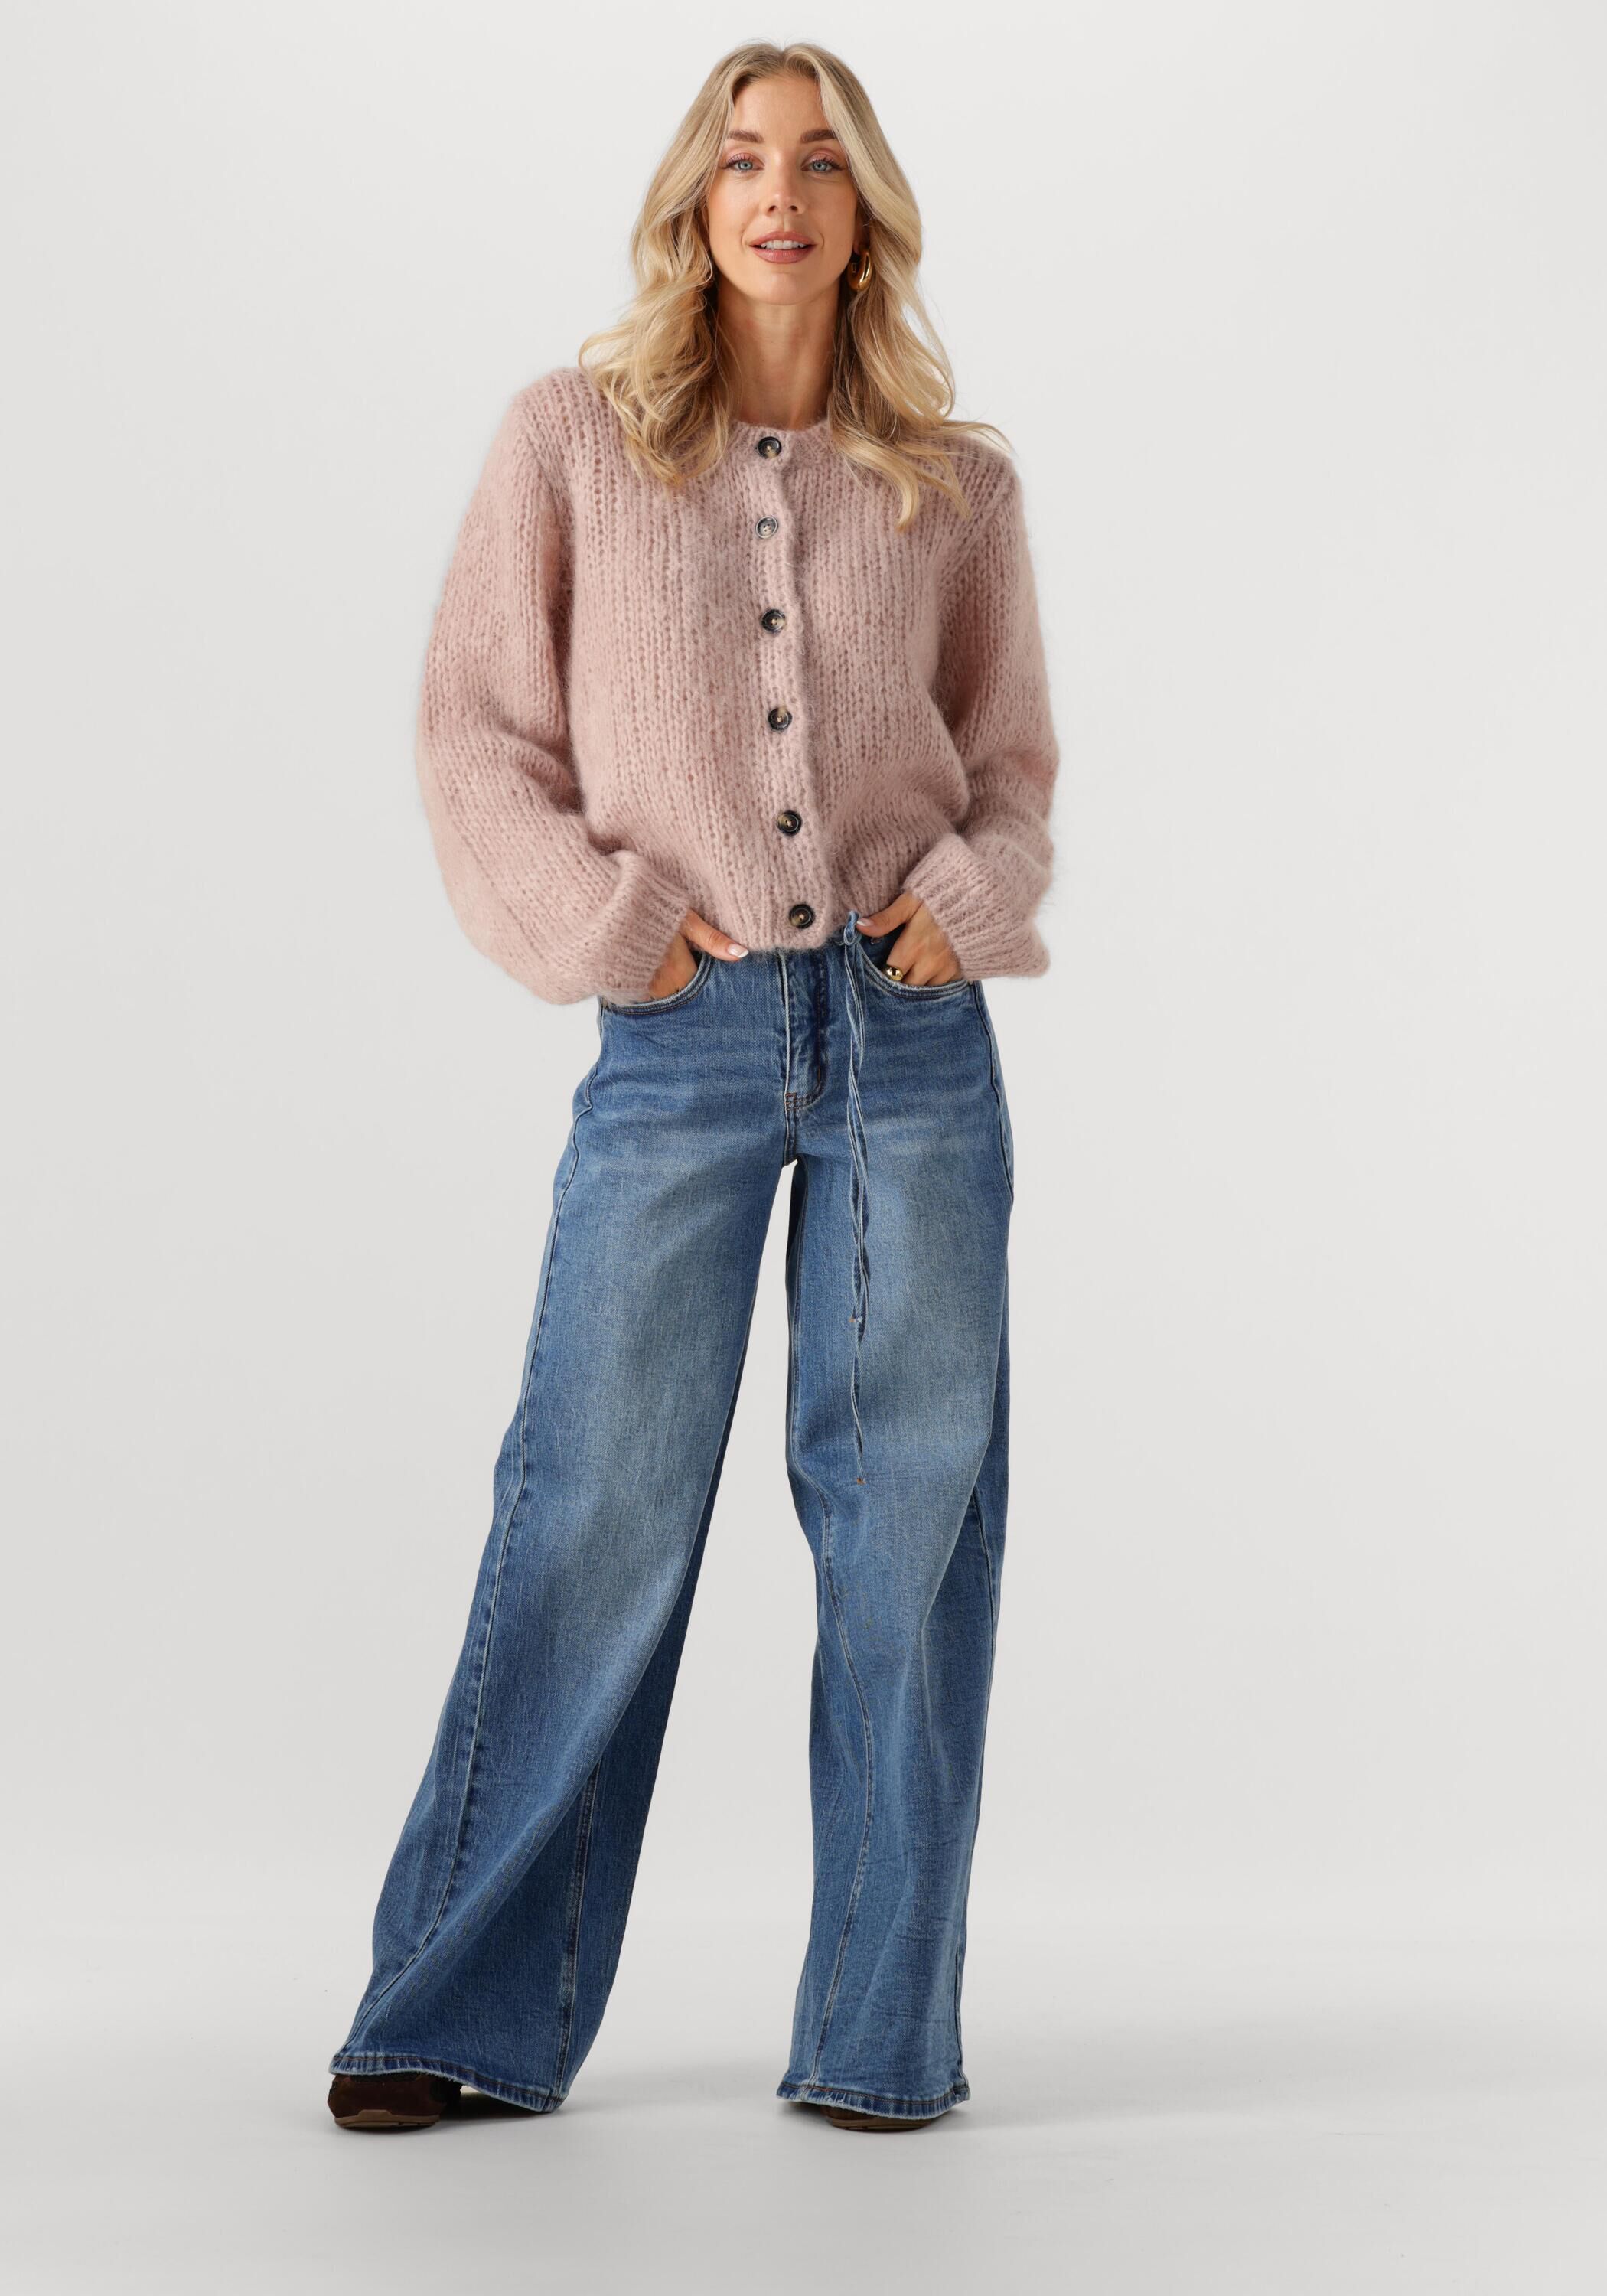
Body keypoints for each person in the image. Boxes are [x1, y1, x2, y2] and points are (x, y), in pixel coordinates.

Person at [325, 38, 1058, 2138]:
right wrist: (603, 925)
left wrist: (971, 898)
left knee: (910, 1528)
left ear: (865, 210)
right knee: (595, 1503)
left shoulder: (953, 481)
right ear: (692, 199)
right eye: (741, 159)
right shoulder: (573, 440)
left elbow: (1008, 768)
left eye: (819, 162)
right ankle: (456, 2016)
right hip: (682, 1039)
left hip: (914, 1043)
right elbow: (476, 734)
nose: (778, 194)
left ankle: (879, 2040)